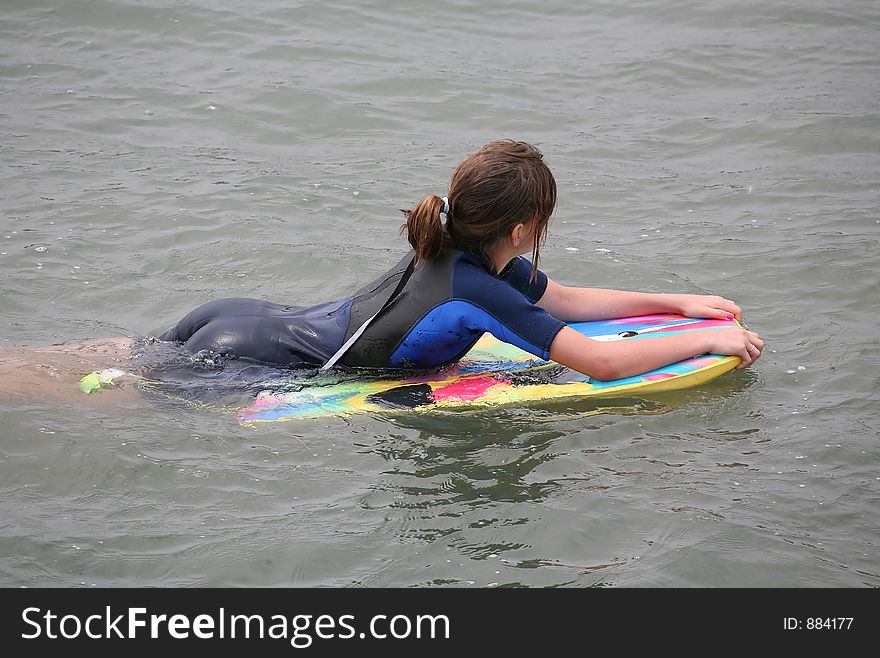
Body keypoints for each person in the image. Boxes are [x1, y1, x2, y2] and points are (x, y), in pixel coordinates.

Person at [158, 139, 763, 381]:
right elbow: (601, 363)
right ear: (523, 228)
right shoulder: (479, 288)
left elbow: (566, 301)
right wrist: (707, 342)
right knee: (96, 399)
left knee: (106, 364)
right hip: (247, 359)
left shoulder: (456, 246)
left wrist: (676, 303)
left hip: (238, 319)